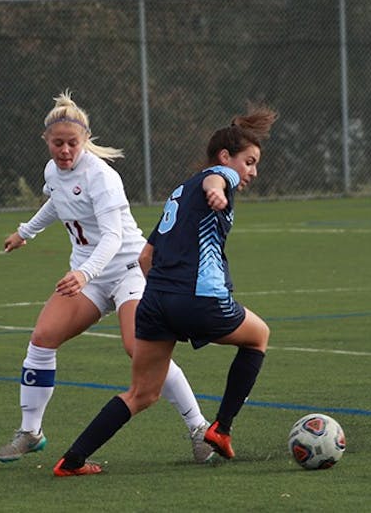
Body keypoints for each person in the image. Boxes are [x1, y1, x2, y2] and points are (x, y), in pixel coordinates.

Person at [52, 103, 278, 476]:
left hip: (154, 301)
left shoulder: (180, 191)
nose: (251, 171)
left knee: (142, 393)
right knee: (259, 336)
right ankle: (221, 429)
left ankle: (72, 460)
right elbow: (217, 180)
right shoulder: (218, 178)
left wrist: (165, 293)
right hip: (199, 299)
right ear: (225, 156)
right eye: (249, 161)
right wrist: (219, 190)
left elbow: (146, 255)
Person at [0, 90, 214, 464]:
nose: (65, 150)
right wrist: (25, 232)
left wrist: (83, 272)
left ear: (85, 141)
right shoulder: (53, 171)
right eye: (58, 143)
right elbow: (57, 202)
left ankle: (199, 428)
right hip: (90, 276)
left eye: (72, 143)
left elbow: (113, 236)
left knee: (140, 350)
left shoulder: (102, 176)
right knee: (43, 338)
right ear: (47, 141)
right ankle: (31, 431)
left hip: (130, 272)